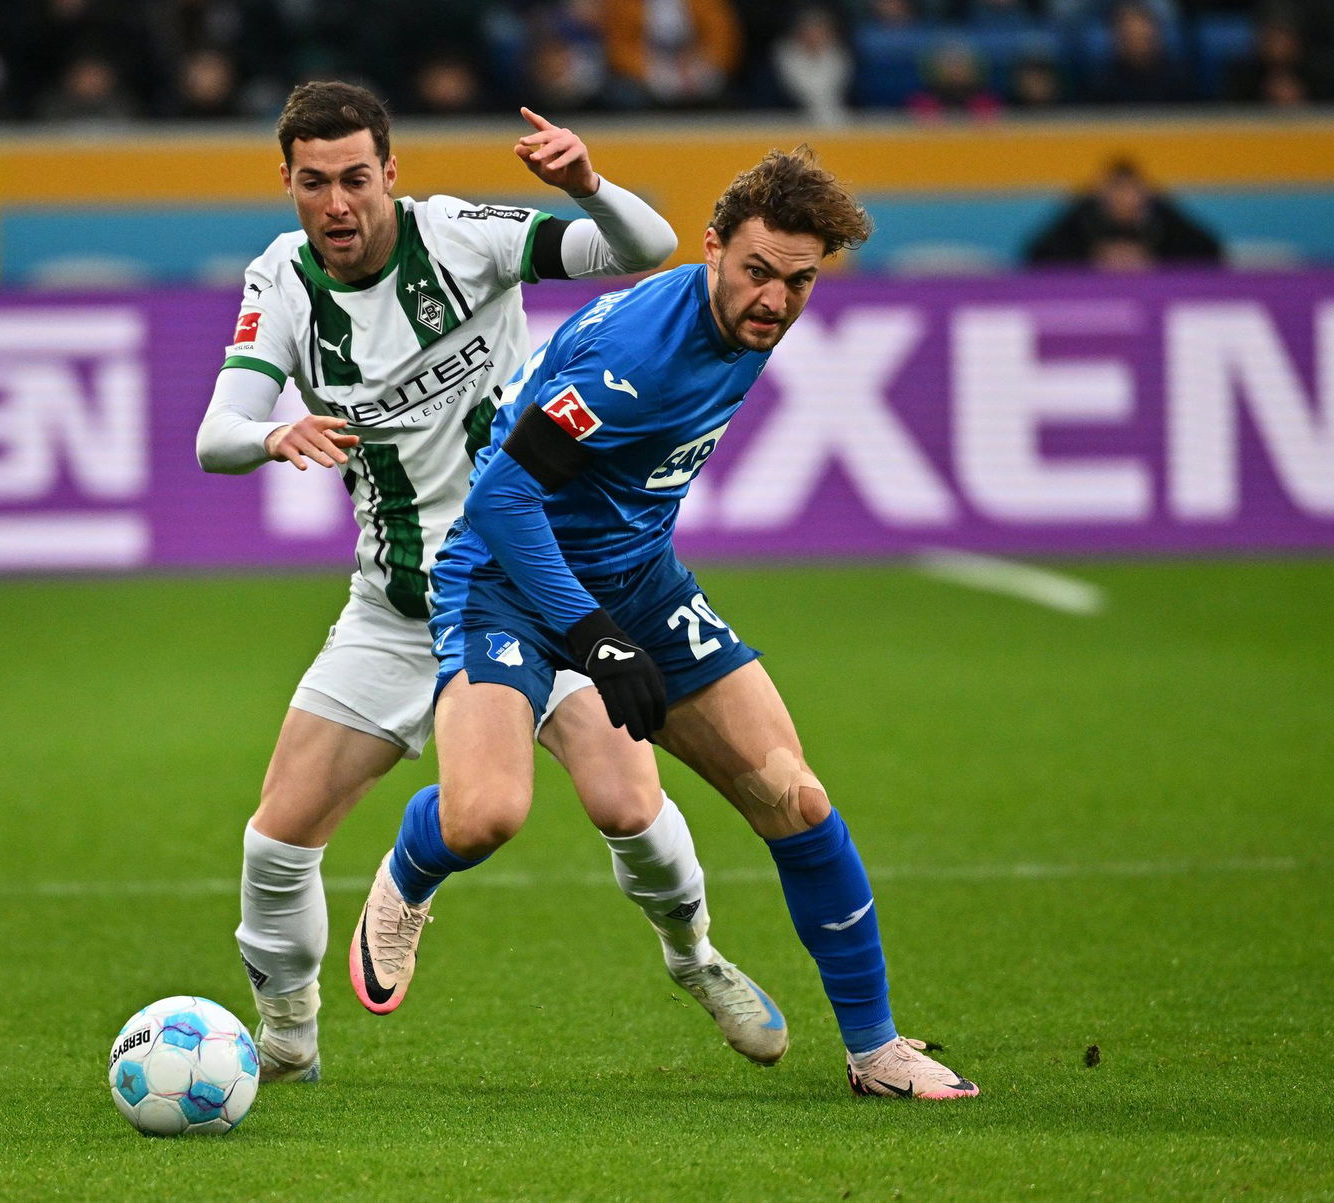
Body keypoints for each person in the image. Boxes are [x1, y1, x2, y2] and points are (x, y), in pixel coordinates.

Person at [349, 145, 981, 1100]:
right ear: (714, 246)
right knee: (486, 814)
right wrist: (592, 635)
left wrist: (618, 613)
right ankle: (408, 869)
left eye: (799, 282)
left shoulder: (744, 326)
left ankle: (877, 1050)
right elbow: (506, 496)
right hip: (505, 579)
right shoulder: (641, 352)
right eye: (758, 272)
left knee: (793, 797)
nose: (774, 300)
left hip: (640, 581)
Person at [196, 80, 790, 1085]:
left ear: (390, 173)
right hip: (393, 610)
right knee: (277, 839)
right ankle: (287, 1034)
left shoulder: (463, 236)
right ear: (288, 183)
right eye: (312, 183)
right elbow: (215, 436)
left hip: (525, 584)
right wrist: (270, 434)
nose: (335, 204)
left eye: (353, 179)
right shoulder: (283, 284)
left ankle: (694, 958)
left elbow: (642, 248)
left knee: (628, 806)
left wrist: (590, 184)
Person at [1025, 157, 1222, 270]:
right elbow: (1035, 253)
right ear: (1102, 193)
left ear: (1144, 192)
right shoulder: (1083, 213)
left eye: (1131, 191)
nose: (1124, 199)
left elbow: (1211, 248)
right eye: (1117, 190)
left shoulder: (1160, 214)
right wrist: (1093, 257)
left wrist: (1152, 257)